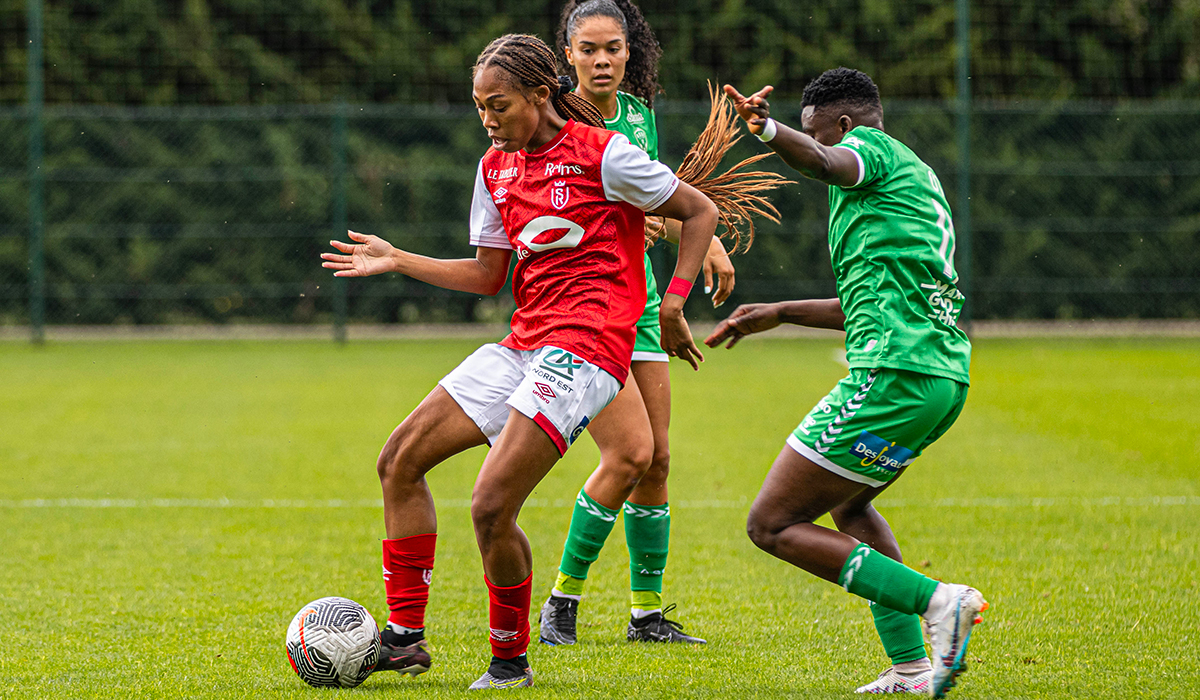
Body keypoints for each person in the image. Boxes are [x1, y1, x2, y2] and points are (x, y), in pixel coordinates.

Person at [320, 34, 718, 690]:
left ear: (541, 94)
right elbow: (486, 276)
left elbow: (697, 210)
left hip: (588, 350)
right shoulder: (495, 169)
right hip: (524, 344)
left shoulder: (605, 156)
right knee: (398, 463)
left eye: (498, 104)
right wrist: (398, 259)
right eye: (479, 107)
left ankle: (510, 662)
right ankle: (404, 638)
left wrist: (674, 304)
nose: (488, 118)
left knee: (490, 504)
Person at [708, 68, 987, 698]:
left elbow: (828, 162)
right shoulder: (910, 180)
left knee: (771, 524)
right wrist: (779, 313)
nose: (815, 146)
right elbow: (864, 306)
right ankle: (913, 668)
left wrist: (769, 130)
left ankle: (940, 601)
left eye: (816, 132)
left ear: (840, 124)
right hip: (935, 379)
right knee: (849, 504)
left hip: (894, 377)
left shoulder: (869, 150)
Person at [536, 0, 733, 647]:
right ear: (566, 54)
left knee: (659, 459)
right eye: (588, 49)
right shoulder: (554, 117)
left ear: (630, 52)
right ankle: (562, 601)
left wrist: (707, 240)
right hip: (585, 311)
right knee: (628, 455)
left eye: (613, 48)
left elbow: (664, 197)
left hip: (642, 306)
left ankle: (646, 615)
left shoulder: (640, 117)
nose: (601, 60)